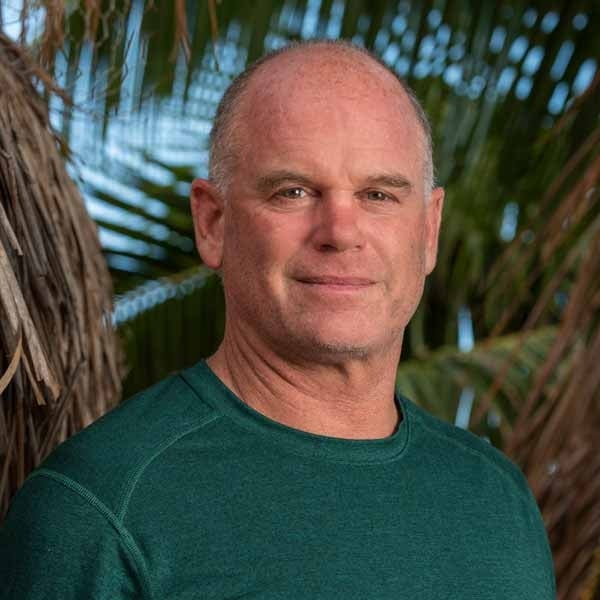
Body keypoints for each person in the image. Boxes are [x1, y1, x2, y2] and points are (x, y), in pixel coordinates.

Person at [0, 40, 555, 599]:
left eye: (379, 194)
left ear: (429, 231)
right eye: (293, 191)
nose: (340, 231)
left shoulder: (497, 499)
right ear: (213, 224)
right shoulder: (98, 508)